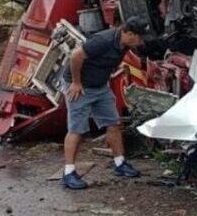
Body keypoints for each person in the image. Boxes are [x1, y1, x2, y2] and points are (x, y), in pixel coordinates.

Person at [60, 17, 150, 189]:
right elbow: (76, 56)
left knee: (113, 123)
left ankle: (120, 163)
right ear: (129, 33)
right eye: (139, 37)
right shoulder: (103, 40)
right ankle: (69, 172)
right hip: (81, 87)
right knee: (77, 129)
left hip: (100, 86)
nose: (141, 42)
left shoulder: (125, 45)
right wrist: (76, 83)